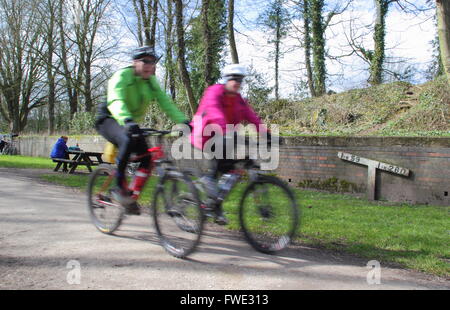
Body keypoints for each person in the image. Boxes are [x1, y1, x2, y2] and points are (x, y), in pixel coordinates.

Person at [95, 46, 190, 215]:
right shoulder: (122, 76)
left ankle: (131, 197)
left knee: (147, 159)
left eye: (153, 62)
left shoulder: (151, 82)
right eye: (145, 61)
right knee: (127, 139)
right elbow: (116, 100)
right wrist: (127, 120)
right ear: (134, 62)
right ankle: (118, 188)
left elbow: (165, 103)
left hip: (130, 124)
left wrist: (183, 122)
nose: (149, 65)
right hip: (109, 118)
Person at [190, 64, 270, 225]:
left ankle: (214, 203)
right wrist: (228, 131)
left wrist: (266, 134)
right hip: (205, 135)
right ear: (226, 79)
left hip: (224, 135)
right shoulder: (214, 91)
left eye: (240, 79)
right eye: (233, 78)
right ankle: (211, 196)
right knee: (222, 167)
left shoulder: (239, 100)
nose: (237, 82)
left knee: (231, 171)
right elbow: (214, 112)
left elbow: (252, 117)